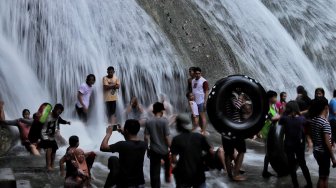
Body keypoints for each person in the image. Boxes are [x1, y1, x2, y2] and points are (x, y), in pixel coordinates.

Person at [171, 114, 216, 187]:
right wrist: (205, 161)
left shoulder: (176, 139)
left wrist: (176, 165)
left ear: (179, 125)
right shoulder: (199, 137)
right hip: (198, 173)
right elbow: (211, 151)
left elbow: (173, 159)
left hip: (183, 175)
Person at [100, 119, 147, 188]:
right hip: (139, 183)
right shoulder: (144, 145)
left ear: (127, 130)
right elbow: (131, 141)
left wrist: (108, 134)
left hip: (125, 183)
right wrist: (124, 132)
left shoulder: (122, 145)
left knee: (113, 159)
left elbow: (103, 147)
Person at [280, 101, 312, 188]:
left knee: (291, 166)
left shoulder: (285, 119)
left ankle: (296, 185)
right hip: (300, 145)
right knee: (303, 164)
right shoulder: (302, 119)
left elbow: (279, 120)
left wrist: (283, 111)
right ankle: (309, 184)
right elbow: (307, 123)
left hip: (289, 145)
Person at [309, 97, 336, 188]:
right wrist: (333, 157)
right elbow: (327, 142)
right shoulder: (325, 122)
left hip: (316, 151)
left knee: (321, 174)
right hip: (324, 152)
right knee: (324, 178)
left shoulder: (313, 120)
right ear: (326, 107)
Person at [144, 102, 171, 188]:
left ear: (153, 111)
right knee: (168, 164)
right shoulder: (164, 121)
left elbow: (146, 137)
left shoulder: (148, 121)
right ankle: (168, 179)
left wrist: (147, 148)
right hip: (164, 151)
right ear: (162, 111)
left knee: (154, 173)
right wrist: (171, 147)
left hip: (154, 150)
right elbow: (167, 138)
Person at [39, 104, 70, 171]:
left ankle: (52, 165)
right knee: (49, 148)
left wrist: (67, 122)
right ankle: (48, 166)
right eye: (59, 111)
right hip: (44, 134)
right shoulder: (47, 115)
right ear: (55, 109)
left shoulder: (57, 117)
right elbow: (39, 122)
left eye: (61, 112)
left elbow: (61, 120)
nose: (59, 113)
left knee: (54, 149)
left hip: (51, 135)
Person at [260, 90, 280, 178]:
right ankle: (266, 171)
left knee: (270, 152)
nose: (276, 99)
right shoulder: (266, 108)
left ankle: (266, 170)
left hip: (272, 132)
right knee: (270, 152)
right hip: (268, 132)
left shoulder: (272, 106)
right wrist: (281, 115)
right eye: (275, 97)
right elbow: (271, 119)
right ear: (270, 98)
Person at [192, 67, 209, 135]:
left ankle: (204, 131)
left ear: (201, 73)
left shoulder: (204, 81)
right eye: (196, 73)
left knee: (203, 117)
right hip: (195, 102)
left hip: (201, 101)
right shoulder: (193, 81)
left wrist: (205, 102)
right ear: (194, 73)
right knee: (196, 116)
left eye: (199, 73)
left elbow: (206, 92)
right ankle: (198, 129)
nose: (198, 75)